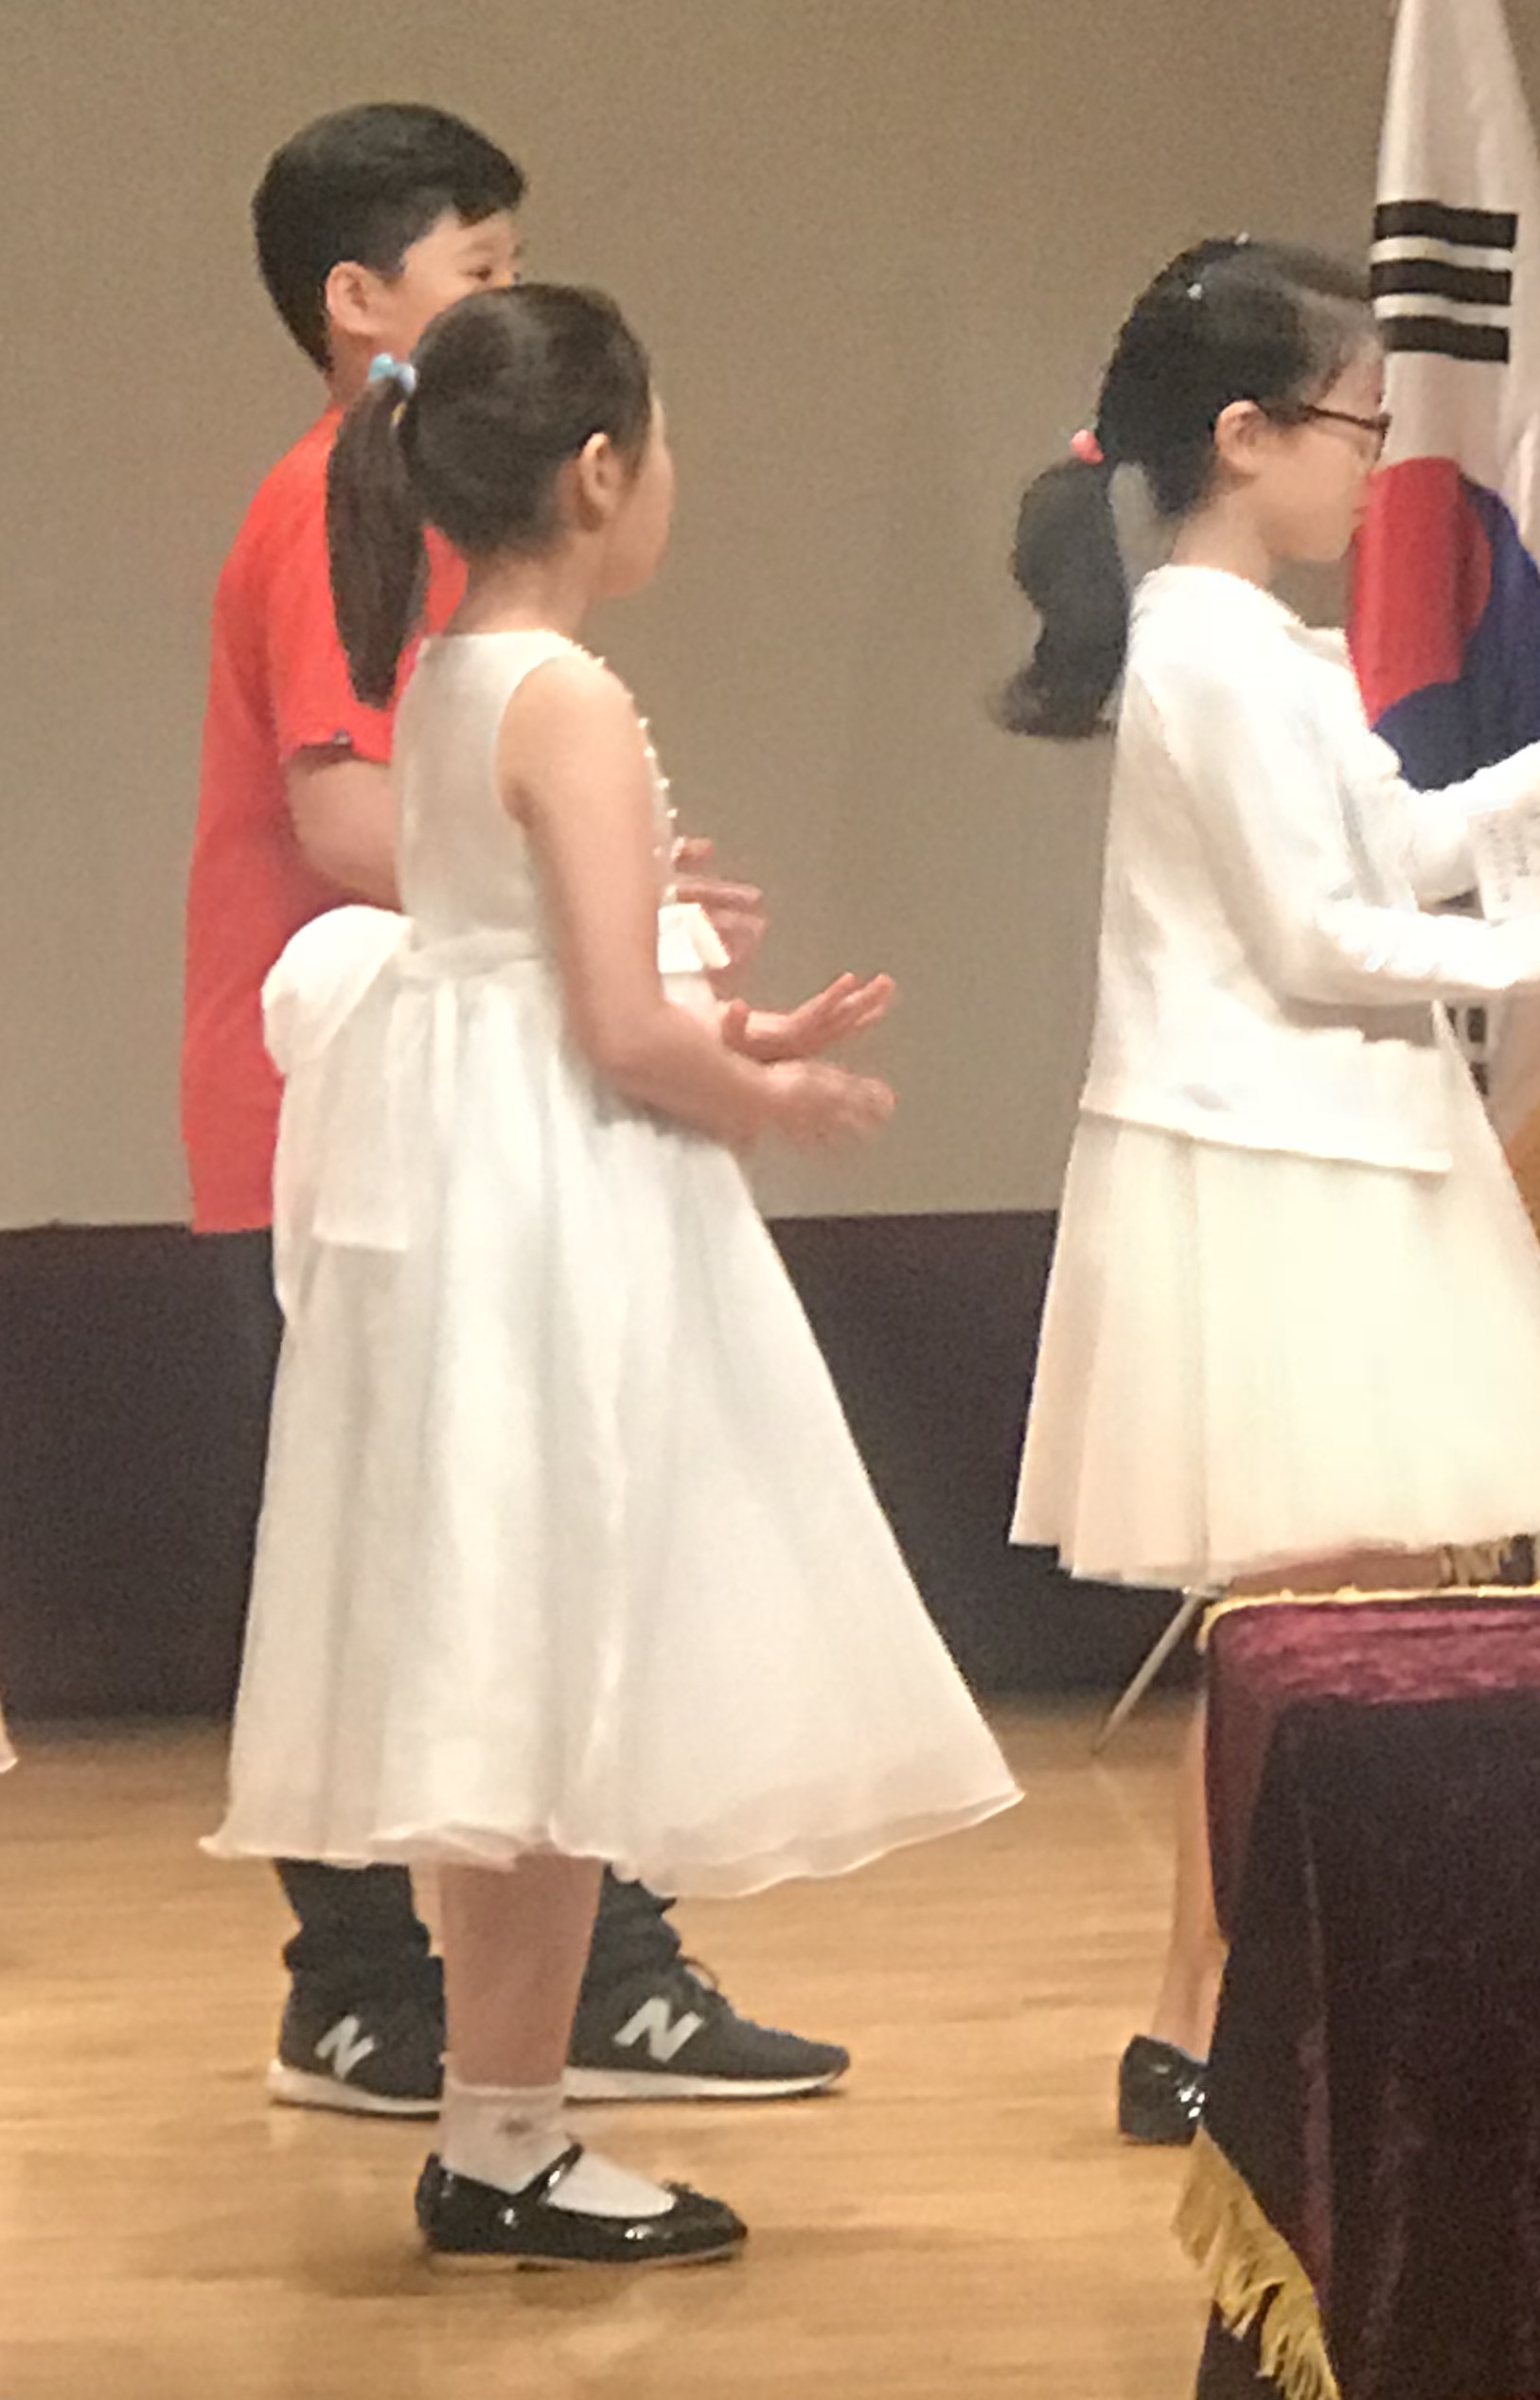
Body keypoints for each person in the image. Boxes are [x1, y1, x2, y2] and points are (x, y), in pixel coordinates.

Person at [209, 284, 1018, 2267]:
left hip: (472, 1166)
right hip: (554, 1193)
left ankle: (503, 2126)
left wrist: (731, 1036)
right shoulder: (563, 694)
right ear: (595, 472)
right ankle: (505, 2134)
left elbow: (531, 966)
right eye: (657, 446)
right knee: (562, 1658)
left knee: (516, 1665)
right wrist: (771, 1092)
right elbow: (607, 1016)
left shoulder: (448, 674)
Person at [184, 104, 849, 2114]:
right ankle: (383, 1995)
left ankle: (571, 1998)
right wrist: (594, 892)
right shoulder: (340, 510)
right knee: (455, 1552)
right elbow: (341, 811)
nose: (511, 298)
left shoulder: (466, 595)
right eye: (482, 269)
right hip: (372, 1104)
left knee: (523, 1541)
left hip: (450, 1085)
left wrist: (605, 876)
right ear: (358, 300)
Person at [998, 239, 1540, 2146]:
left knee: (1345, 1613)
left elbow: (1400, 840)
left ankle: (1241, 2004)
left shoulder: (1261, 651)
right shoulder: (1205, 657)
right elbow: (1315, 934)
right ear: (1246, 434)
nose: (1377, 463)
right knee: (1304, 1622)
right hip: (1272, 1158)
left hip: (1335, 1145)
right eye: (1359, 425)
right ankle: (1214, 2011)